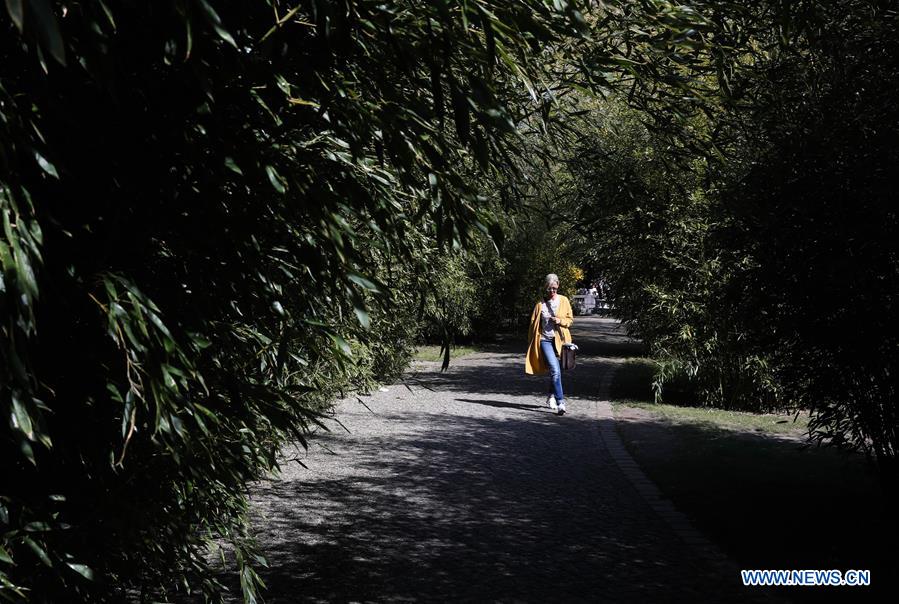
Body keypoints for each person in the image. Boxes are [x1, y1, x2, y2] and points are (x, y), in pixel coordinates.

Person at [525, 273, 574, 415]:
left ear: (558, 285)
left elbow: (570, 320)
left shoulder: (564, 300)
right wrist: (531, 344)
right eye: (549, 289)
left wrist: (560, 321)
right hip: (544, 340)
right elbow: (532, 326)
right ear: (545, 288)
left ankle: (551, 395)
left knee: (557, 371)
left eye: (554, 288)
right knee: (554, 369)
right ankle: (561, 402)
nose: (552, 291)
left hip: (560, 341)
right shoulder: (539, 305)